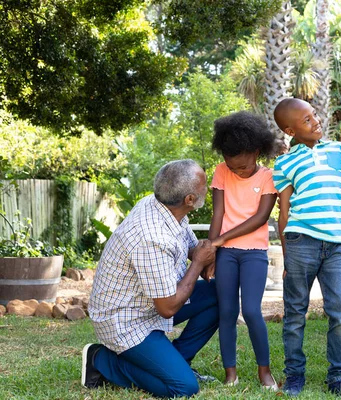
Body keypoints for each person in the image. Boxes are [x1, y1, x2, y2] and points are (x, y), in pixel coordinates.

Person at [83, 159, 219, 398]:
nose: (207, 188)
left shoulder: (164, 207)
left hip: (149, 304)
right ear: (189, 199)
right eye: (204, 185)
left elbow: (189, 247)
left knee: (220, 293)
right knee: (183, 388)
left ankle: (178, 362)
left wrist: (206, 253)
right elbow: (167, 307)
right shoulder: (151, 236)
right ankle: (101, 361)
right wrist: (199, 262)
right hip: (125, 320)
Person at [273, 98, 341, 398]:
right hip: (301, 241)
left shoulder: (340, 151)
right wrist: (288, 255)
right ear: (290, 130)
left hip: (338, 244)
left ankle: (339, 377)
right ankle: (294, 376)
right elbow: (284, 213)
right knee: (294, 313)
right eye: (306, 119)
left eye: (314, 115)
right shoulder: (285, 162)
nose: (315, 121)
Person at [208, 111, 278, 389]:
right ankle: (230, 373)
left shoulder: (268, 177)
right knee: (226, 312)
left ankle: (265, 371)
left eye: (244, 168)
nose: (238, 172)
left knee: (250, 310)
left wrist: (217, 241)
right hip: (225, 254)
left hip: (254, 254)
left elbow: (260, 218)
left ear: (257, 152)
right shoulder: (221, 171)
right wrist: (212, 252)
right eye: (232, 167)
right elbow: (218, 213)